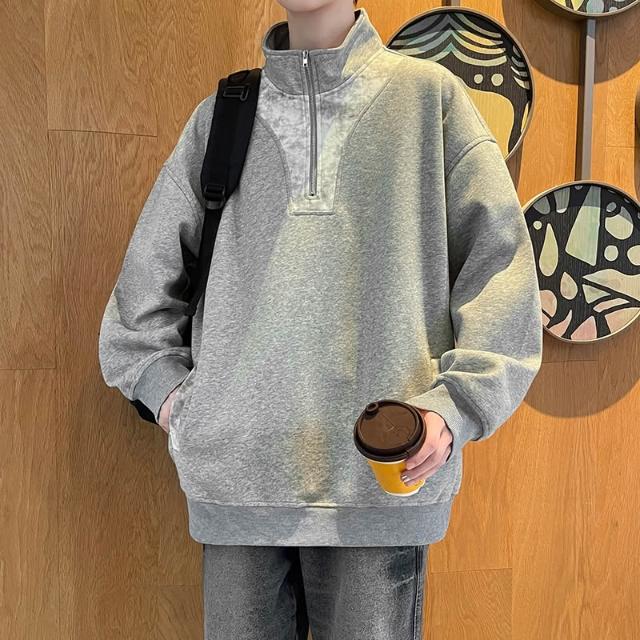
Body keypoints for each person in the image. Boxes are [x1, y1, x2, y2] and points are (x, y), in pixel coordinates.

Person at [98, 1, 543, 638]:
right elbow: (136, 311)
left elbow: (503, 277)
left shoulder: (430, 101)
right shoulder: (222, 117)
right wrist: (188, 410)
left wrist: (454, 409)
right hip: (236, 489)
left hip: (380, 483)